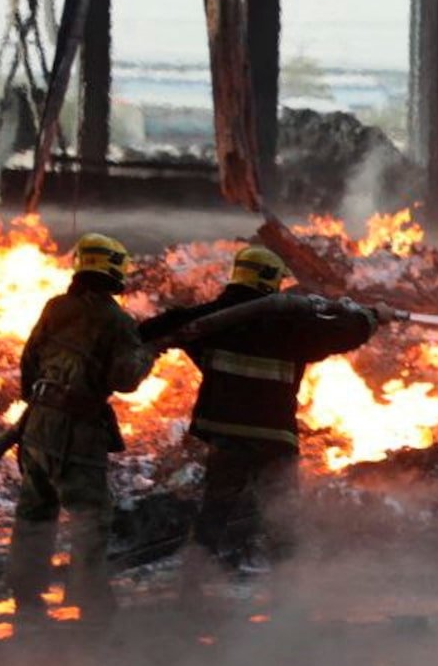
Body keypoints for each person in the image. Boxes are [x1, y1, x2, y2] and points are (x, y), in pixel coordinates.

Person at [140, 246, 394, 596]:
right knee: (282, 519)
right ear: (271, 279)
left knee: (214, 512)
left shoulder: (212, 320)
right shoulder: (291, 325)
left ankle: (190, 591)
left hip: (225, 435)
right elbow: (344, 334)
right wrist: (372, 316)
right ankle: (287, 598)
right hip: (274, 439)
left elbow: (164, 325)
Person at [6, 232, 156, 626]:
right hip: (78, 429)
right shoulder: (116, 319)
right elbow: (125, 380)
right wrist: (148, 355)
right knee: (91, 512)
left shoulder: (56, 307)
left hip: (38, 423)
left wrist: (36, 405)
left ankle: (26, 593)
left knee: (36, 509)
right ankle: (90, 599)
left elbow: (30, 358)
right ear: (112, 267)